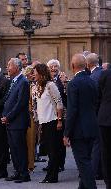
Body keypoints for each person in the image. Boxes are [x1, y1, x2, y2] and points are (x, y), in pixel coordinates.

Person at [63, 53, 98, 189]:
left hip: (79, 130)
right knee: (86, 162)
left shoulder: (73, 84)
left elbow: (72, 111)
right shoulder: (92, 81)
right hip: (92, 127)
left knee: (83, 163)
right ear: (86, 66)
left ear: (72, 66)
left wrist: (66, 133)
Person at [1, 58, 31, 183]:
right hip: (10, 122)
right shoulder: (13, 81)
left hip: (18, 122)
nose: (7, 68)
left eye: (9, 66)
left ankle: (24, 174)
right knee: (13, 149)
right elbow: (8, 101)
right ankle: (17, 171)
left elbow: (20, 103)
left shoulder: (23, 82)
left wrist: (9, 116)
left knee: (20, 149)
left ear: (17, 68)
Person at [33, 64, 63, 183]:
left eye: (35, 72)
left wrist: (60, 120)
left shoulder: (50, 85)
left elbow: (59, 103)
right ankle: (51, 175)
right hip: (44, 123)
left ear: (41, 73)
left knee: (53, 150)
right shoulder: (39, 86)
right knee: (50, 151)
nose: (33, 74)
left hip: (53, 122)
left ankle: (52, 176)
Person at [47, 59, 67, 172]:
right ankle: (52, 163)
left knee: (60, 141)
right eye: (51, 67)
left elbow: (65, 97)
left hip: (61, 114)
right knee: (50, 142)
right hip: (49, 114)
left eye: (56, 66)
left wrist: (64, 84)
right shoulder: (46, 80)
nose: (54, 68)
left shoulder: (62, 80)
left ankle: (60, 164)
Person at [86, 53, 103, 180]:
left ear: (88, 64)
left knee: (97, 144)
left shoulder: (93, 77)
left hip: (97, 114)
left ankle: (95, 171)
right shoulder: (103, 72)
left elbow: (94, 99)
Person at [98, 69, 111, 189]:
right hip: (105, 117)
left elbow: (99, 93)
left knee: (106, 151)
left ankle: (108, 181)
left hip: (105, 116)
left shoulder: (105, 74)